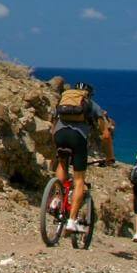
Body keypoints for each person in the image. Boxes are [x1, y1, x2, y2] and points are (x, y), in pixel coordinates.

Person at [52, 82, 109, 235]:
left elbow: (53, 120)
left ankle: (56, 199)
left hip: (59, 136)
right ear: (89, 94)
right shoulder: (92, 105)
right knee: (79, 180)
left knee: (62, 164)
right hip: (77, 138)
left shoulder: (63, 100)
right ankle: (71, 222)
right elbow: (106, 135)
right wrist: (110, 157)